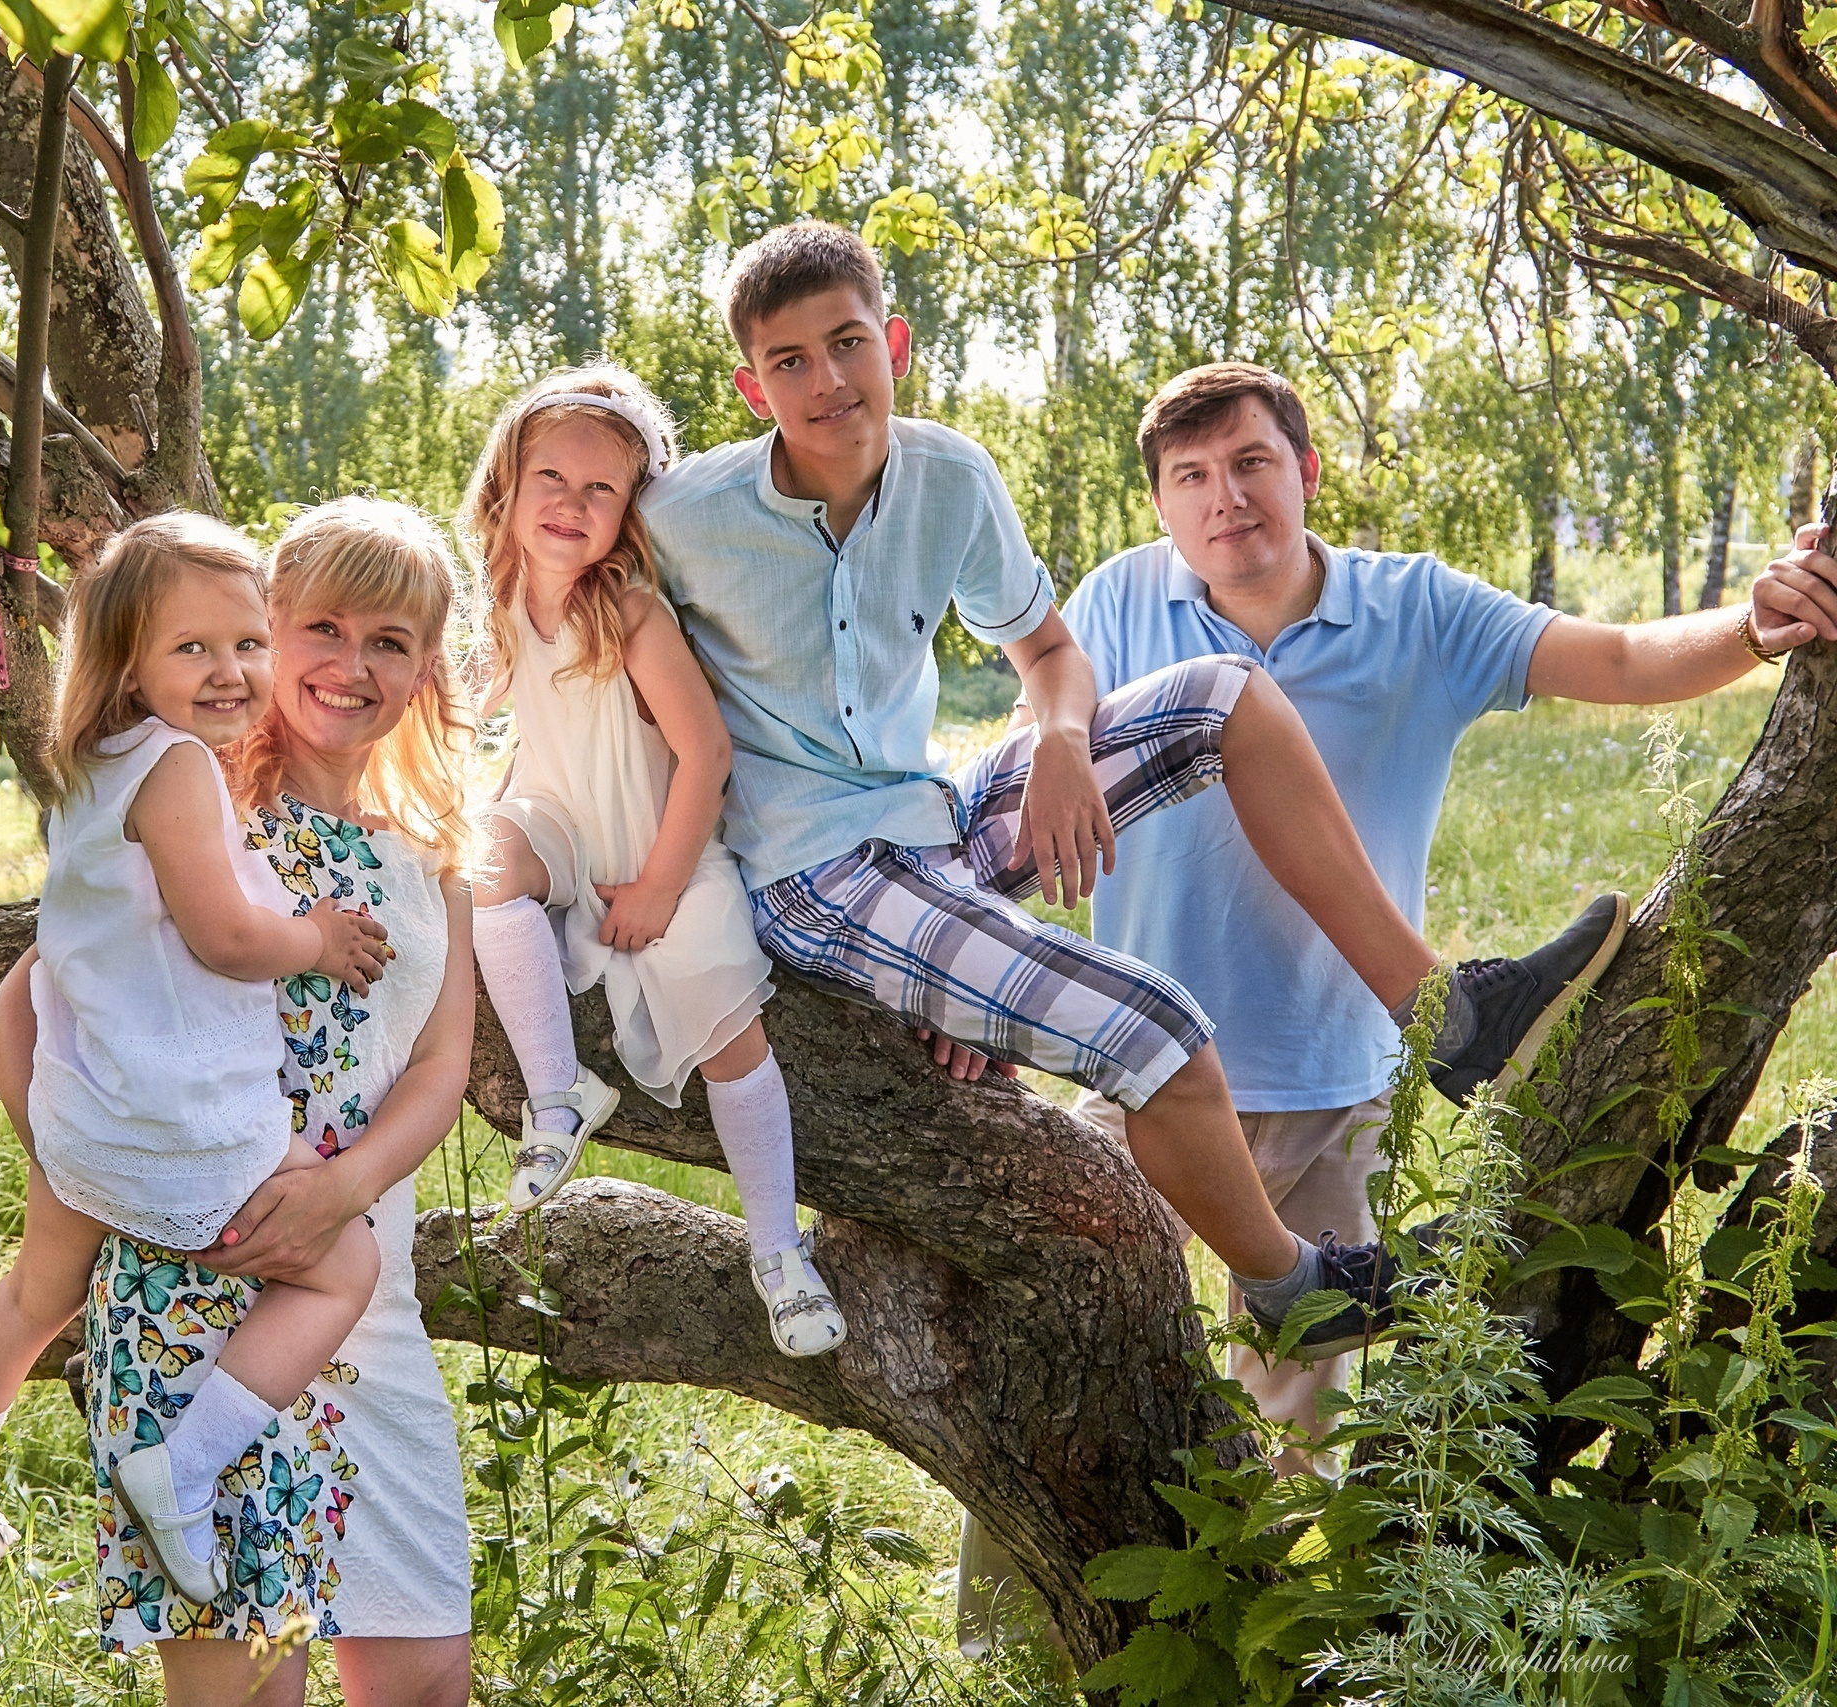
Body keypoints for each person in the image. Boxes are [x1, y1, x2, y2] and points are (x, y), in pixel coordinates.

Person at [637, 220, 1625, 1362]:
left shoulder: (949, 474)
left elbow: (1052, 657)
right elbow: (567, 625)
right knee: (1158, 1027)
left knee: (1227, 690)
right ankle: (1288, 1282)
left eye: (847, 341)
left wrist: (1061, 740)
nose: (827, 380)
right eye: (790, 361)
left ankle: (1446, 1018)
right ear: (749, 386)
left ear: (893, 342)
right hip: (815, 877)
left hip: (926, 825)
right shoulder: (684, 517)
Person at [1045, 359, 1837, 1473]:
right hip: (1145, 1084)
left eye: (1251, 462)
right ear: (1163, 503)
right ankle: (1009, 1653)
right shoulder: (1114, 604)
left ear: (1306, 471)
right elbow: (1040, 768)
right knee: (1062, 1388)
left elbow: (1608, 657)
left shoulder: (1408, 605)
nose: (1226, 496)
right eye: (1193, 476)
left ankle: (1270, 1639)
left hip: (1338, 1085)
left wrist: (1755, 626)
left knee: (1297, 1439)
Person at [0, 497, 478, 1707]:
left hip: (362, 1283)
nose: (352, 666)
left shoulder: (437, 851)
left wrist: (341, 1196)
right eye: (321, 627)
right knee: (245, 1692)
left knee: (425, 1679)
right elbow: (19, 1022)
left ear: (426, 670)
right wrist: (123, 1193)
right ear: (266, 630)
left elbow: (439, 1071)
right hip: (206, 1288)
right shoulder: (191, 808)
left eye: (392, 640)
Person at [0, 515, 390, 1605]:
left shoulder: (91, 770)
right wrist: (323, 940)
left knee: (38, 1290)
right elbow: (225, 937)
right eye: (192, 649)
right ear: (124, 662)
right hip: (176, 1122)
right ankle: (185, 1466)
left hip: (90, 1103)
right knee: (344, 1266)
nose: (230, 673)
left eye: (248, 644)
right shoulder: (175, 773)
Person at [462, 363, 845, 1358]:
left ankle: (777, 1252)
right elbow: (482, 707)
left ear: (631, 514)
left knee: (726, 1032)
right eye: (551, 477)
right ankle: (558, 1094)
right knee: (483, 862)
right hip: (560, 826)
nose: (571, 505)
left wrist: (664, 886)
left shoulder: (624, 608)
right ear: (506, 482)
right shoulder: (503, 597)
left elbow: (703, 753)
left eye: (602, 491)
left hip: (654, 842)